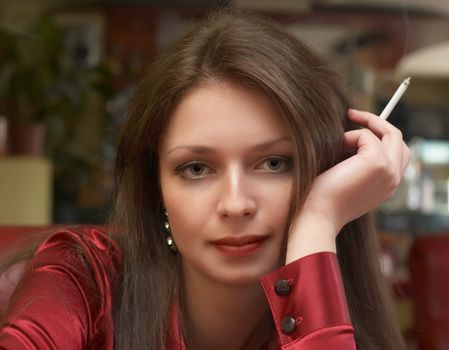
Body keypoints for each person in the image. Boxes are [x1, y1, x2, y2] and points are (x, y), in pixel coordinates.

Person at [0, 10, 410, 350]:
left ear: (327, 170)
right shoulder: (82, 281)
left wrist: (318, 222)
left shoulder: (341, 320)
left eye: (273, 163)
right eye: (196, 168)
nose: (235, 204)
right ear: (156, 186)